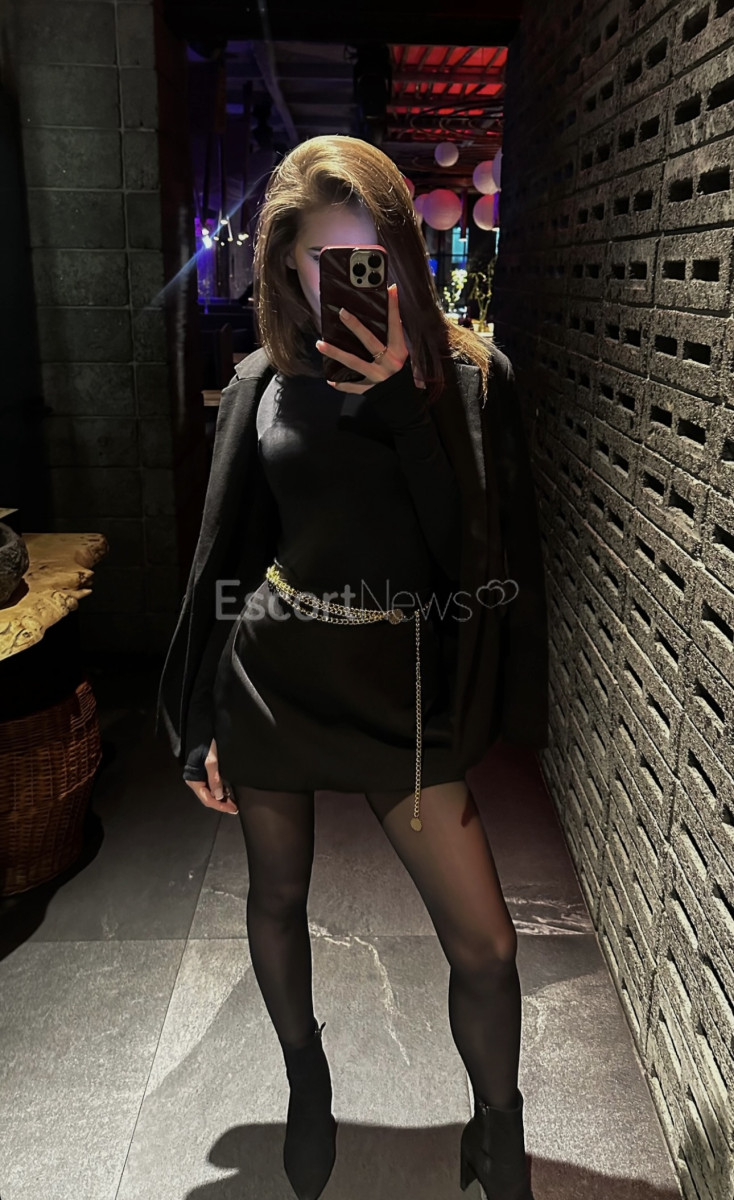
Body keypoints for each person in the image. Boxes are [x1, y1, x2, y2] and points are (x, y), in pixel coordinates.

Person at [156, 135, 546, 1200]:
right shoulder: (263, 383)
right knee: (275, 898)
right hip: (273, 677)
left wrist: (400, 406)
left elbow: (471, 558)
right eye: (321, 259)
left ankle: (498, 1133)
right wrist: (200, 721)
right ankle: (307, 1084)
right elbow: (228, 557)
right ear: (285, 263)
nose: (346, 277)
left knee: (486, 945)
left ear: (402, 246)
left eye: (367, 250)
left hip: (401, 694)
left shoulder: (470, 379)